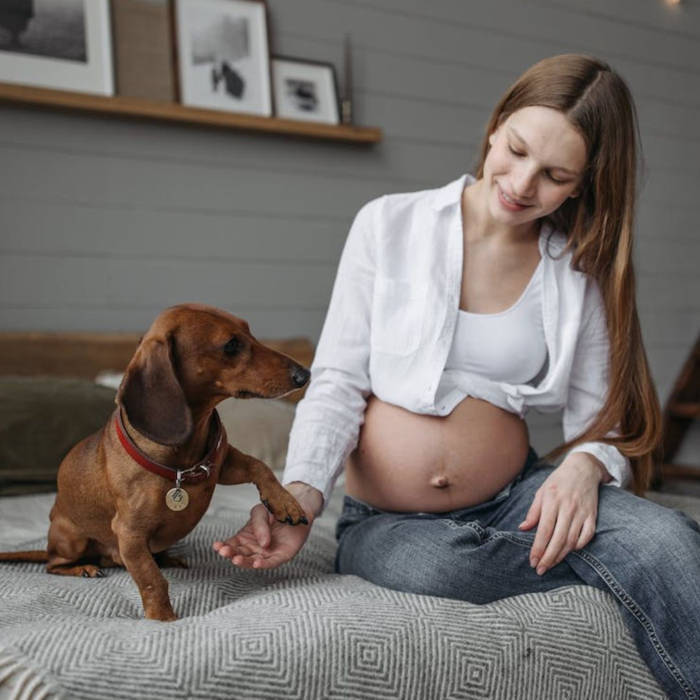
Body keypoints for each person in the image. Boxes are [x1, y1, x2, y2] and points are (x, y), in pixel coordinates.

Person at [213, 54, 700, 699]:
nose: (523, 184)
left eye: (555, 175)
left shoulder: (579, 276)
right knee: (445, 565)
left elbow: (602, 423)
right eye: (519, 149)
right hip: (389, 521)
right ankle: (619, 562)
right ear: (497, 125)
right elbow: (336, 382)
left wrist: (584, 468)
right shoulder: (388, 224)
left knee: (663, 539)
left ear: (582, 185)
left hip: (522, 497)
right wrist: (300, 495)